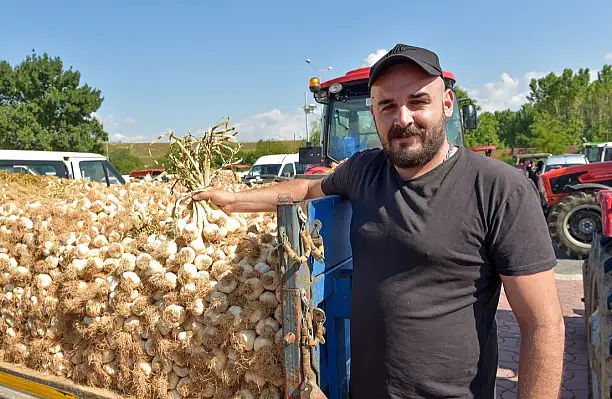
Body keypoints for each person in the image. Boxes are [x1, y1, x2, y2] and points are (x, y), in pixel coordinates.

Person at [194, 43, 565, 399]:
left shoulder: (499, 188)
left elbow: (543, 325)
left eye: (418, 102)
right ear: (374, 114)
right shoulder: (364, 171)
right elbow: (306, 192)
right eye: (387, 106)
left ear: (447, 104)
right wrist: (233, 200)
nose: (402, 119)